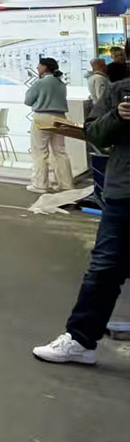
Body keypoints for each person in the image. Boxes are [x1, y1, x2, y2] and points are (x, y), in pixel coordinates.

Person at [33, 75, 130, 364]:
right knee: (105, 267)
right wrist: (118, 116)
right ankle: (81, 340)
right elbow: (95, 134)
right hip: (124, 193)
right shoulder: (121, 90)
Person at [24, 57, 73, 194]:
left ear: (45, 67)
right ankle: (66, 184)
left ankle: (40, 185)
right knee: (60, 151)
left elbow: (28, 101)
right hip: (61, 118)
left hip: (43, 117)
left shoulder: (40, 83)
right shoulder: (61, 83)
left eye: (39, 66)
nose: (37, 68)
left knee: (40, 151)